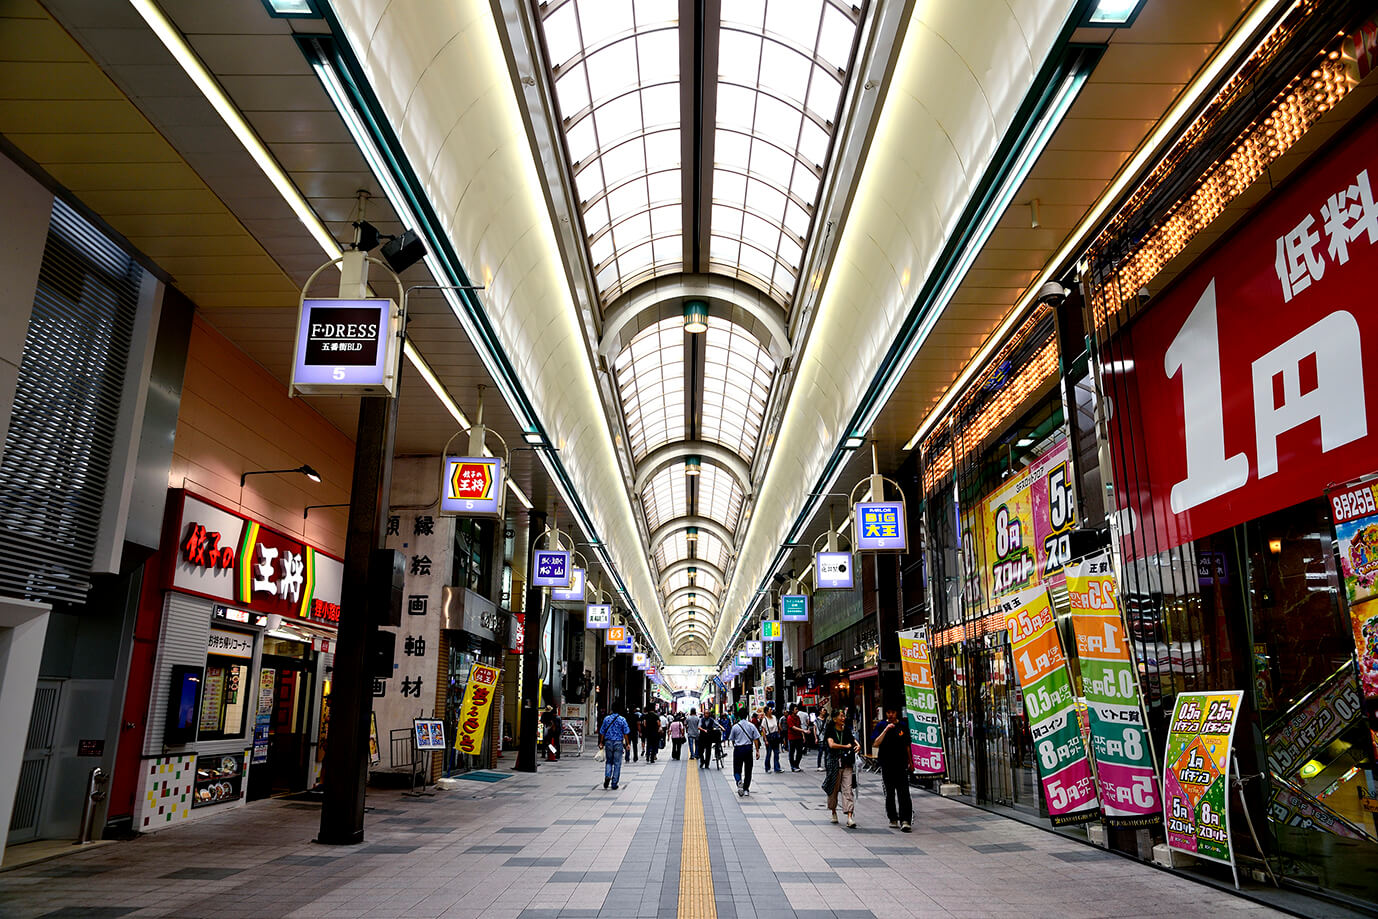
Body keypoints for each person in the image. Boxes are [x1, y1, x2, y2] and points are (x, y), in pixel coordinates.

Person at [872, 706, 914, 831]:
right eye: (889, 712)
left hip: (901, 764)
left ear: (897, 713)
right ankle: (893, 817)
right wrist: (885, 730)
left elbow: (907, 745)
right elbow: (875, 743)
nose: (891, 715)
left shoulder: (903, 726)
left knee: (904, 793)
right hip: (886, 764)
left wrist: (910, 762)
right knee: (889, 793)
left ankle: (905, 820)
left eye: (893, 712)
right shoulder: (881, 725)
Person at [824, 707, 860, 827]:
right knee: (833, 790)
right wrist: (846, 746)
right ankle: (833, 811)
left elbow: (853, 741)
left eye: (844, 716)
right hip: (834, 763)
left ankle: (850, 816)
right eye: (841, 716)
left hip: (846, 763)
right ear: (835, 719)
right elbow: (831, 745)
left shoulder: (847, 730)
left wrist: (858, 745)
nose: (843, 718)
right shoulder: (830, 730)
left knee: (847, 789)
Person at [728, 707, 762, 796]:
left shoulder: (735, 727)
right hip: (748, 749)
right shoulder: (751, 725)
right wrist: (757, 751)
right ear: (747, 715)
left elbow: (732, 739)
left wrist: (736, 745)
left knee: (737, 768)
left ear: (739, 716)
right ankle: (746, 789)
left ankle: (739, 781)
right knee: (748, 769)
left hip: (738, 749)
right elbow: (756, 739)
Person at [599, 706, 630, 790]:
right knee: (617, 763)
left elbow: (602, 731)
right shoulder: (622, 719)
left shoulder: (607, 719)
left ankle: (608, 775)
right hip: (618, 743)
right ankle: (614, 783)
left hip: (608, 742)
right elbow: (626, 732)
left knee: (609, 761)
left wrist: (601, 742)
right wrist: (627, 743)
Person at [761, 704, 783, 773]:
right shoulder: (764, 720)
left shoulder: (774, 717)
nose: (771, 711)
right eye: (770, 710)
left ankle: (777, 768)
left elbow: (777, 726)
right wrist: (765, 740)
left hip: (775, 736)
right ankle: (767, 768)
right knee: (769, 753)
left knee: (776, 753)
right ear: (767, 712)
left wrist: (779, 733)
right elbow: (763, 730)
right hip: (769, 736)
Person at [785, 704, 806, 772]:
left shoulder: (797, 717)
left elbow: (799, 726)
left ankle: (796, 765)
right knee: (792, 752)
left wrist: (803, 735)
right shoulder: (789, 718)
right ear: (792, 710)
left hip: (799, 737)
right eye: (796, 709)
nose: (797, 710)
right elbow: (793, 727)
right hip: (792, 737)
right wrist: (803, 731)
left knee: (799, 752)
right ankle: (793, 766)